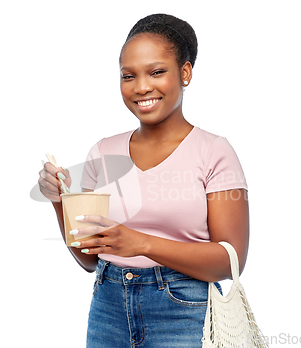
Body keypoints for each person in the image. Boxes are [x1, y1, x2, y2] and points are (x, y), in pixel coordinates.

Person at [38, 13, 249, 348]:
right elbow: (89, 259)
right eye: (128, 75)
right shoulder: (103, 152)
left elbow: (230, 260)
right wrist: (59, 201)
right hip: (108, 308)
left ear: (185, 73)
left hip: (184, 310)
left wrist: (140, 243)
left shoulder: (213, 151)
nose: (141, 87)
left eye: (156, 72)